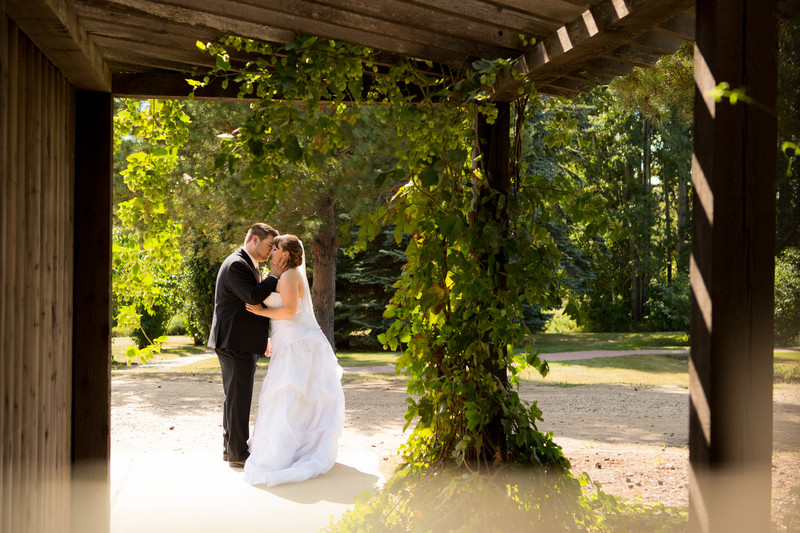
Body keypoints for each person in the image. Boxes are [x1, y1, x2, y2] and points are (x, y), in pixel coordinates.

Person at [242, 234, 345, 487]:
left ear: (285, 254)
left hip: (297, 344)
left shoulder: (289, 276)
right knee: (290, 395)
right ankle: (294, 447)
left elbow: (288, 310)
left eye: (275, 248)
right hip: (287, 340)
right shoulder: (285, 274)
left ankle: (289, 451)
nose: (272, 252)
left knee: (290, 393)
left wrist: (263, 311)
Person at [208, 223, 287, 468]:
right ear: (254, 239)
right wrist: (274, 276)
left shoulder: (246, 264)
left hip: (238, 340)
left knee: (234, 397)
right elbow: (253, 296)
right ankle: (238, 453)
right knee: (239, 398)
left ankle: (229, 448)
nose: (270, 251)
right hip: (234, 342)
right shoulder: (237, 264)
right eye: (269, 246)